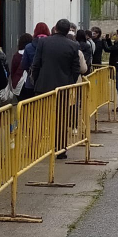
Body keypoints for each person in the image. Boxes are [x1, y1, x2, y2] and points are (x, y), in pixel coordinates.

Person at [32, 19, 83, 159]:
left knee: (41, 118)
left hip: (43, 86)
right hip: (62, 87)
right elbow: (75, 69)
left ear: (55, 29)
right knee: (61, 119)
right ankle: (60, 149)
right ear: (68, 31)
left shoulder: (43, 42)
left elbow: (36, 63)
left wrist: (35, 80)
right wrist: (69, 82)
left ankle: (37, 148)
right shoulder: (73, 45)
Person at [18, 22, 50, 101]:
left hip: (31, 83)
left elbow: (24, 65)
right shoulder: (51, 46)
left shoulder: (28, 47)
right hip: (48, 82)